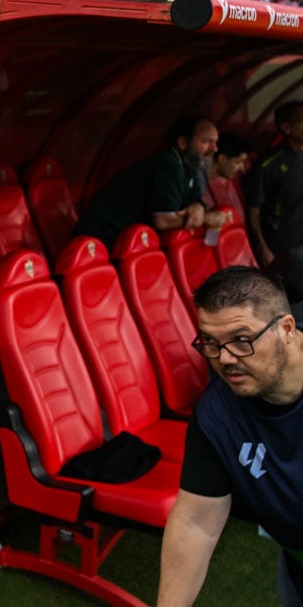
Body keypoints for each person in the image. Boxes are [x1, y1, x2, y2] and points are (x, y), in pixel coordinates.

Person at [158, 266, 303, 606]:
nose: (225, 359)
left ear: (286, 329)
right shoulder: (217, 415)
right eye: (210, 342)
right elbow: (196, 524)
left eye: (241, 340)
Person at [73, 116, 218, 247]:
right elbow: (163, 220)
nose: (214, 149)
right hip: (99, 237)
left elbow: (192, 200)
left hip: (124, 239)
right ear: (183, 142)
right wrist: (207, 218)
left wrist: (198, 205)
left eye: (215, 143)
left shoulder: (190, 166)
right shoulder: (168, 163)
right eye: (206, 141)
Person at [247, 101, 303, 309]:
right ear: (286, 128)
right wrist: (263, 247)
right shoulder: (267, 164)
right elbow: (254, 210)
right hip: (282, 248)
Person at [205, 131, 251, 227]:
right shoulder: (193, 182)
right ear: (222, 159)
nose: (242, 168)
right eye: (238, 162)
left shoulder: (225, 182)